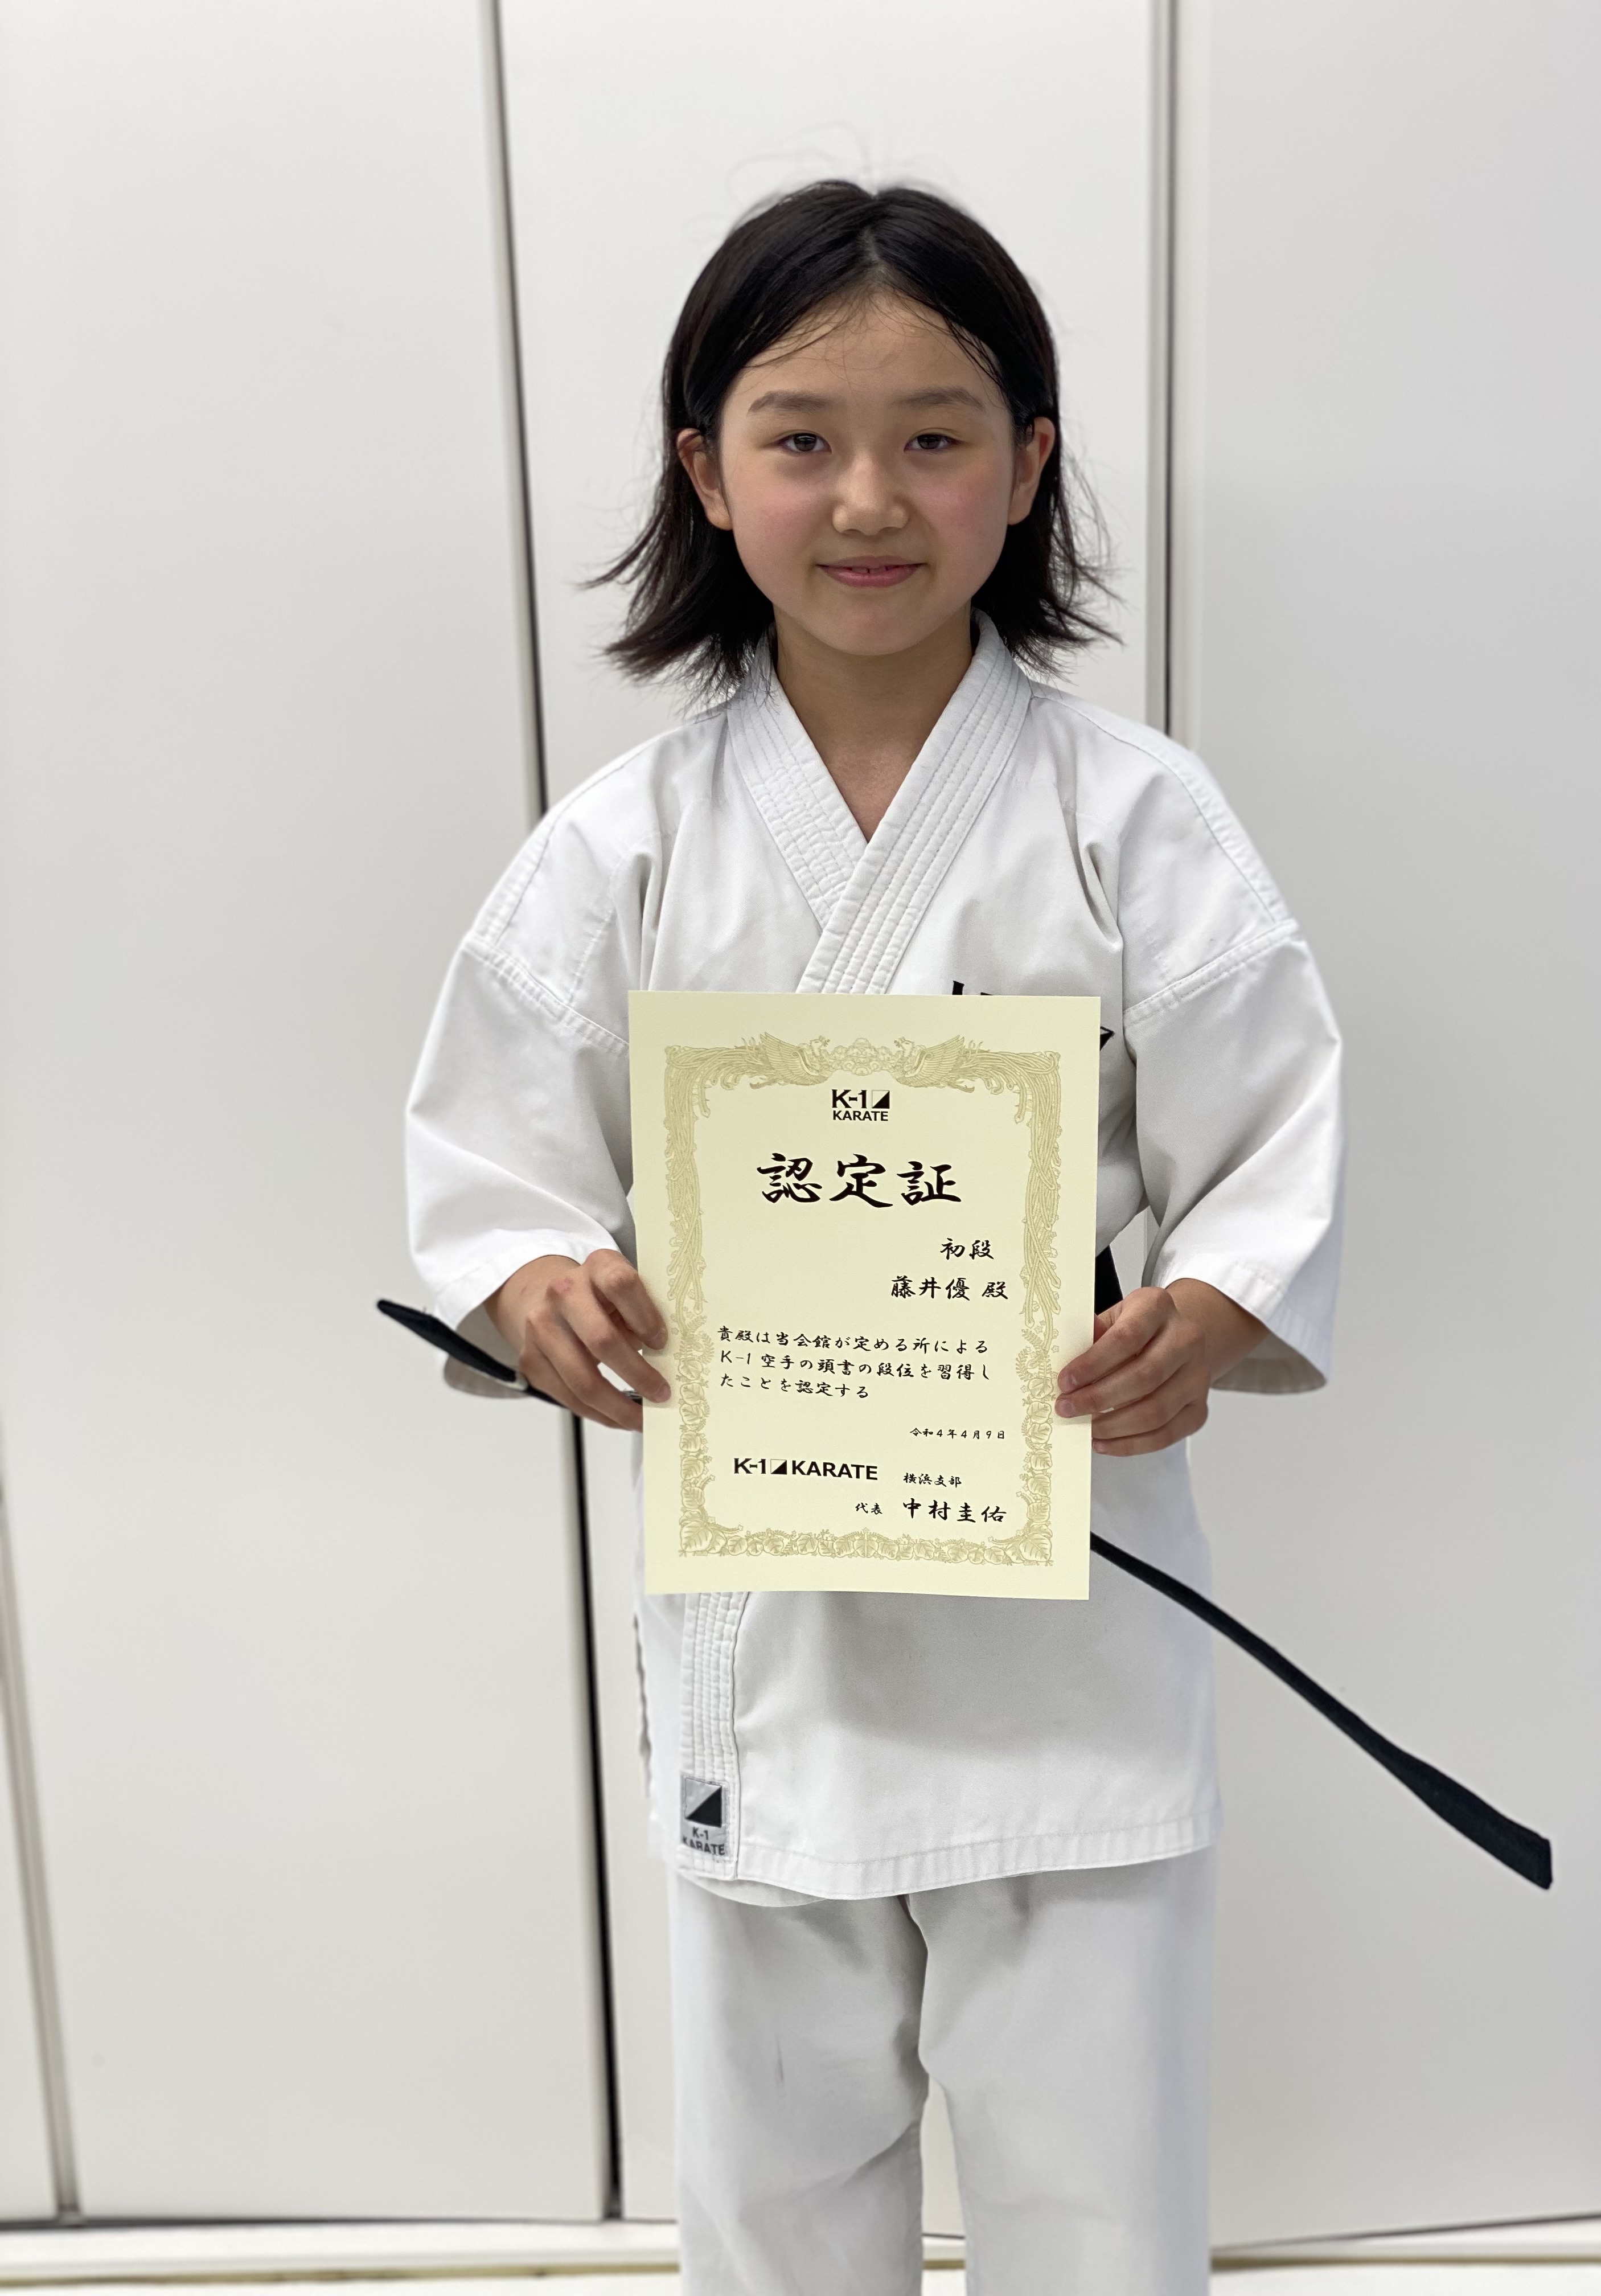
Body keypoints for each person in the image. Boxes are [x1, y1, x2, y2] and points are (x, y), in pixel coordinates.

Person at [406, 181, 1343, 2296]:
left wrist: (1208, 1307)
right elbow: (494, 1158)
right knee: (776, 2181)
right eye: (801, 437)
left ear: (1027, 465)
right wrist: (535, 1285)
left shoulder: (1132, 817)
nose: (867, 498)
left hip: (1065, 1596)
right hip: (769, 1612)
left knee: (1094, 2178)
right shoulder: (627, 844)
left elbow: (1271, 1132)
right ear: (704, 473)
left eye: (934, 437)